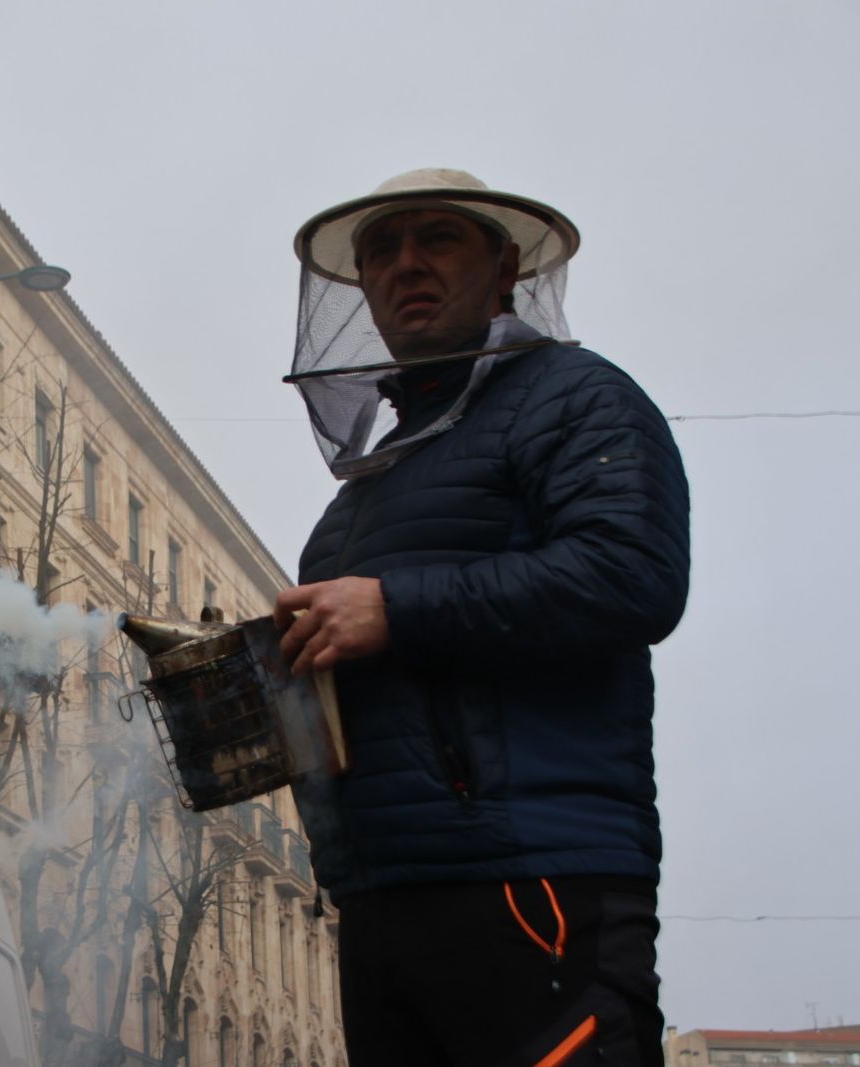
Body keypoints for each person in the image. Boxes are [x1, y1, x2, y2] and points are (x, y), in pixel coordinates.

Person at [273, 168, 691, 1066]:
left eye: (437, 238)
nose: (404, 265)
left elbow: (633, 574)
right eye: (381, 250)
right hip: (383, 896)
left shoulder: (576, 395)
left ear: (504, 266)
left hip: (533, 881)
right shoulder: (372, 482)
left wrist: (393, 607)